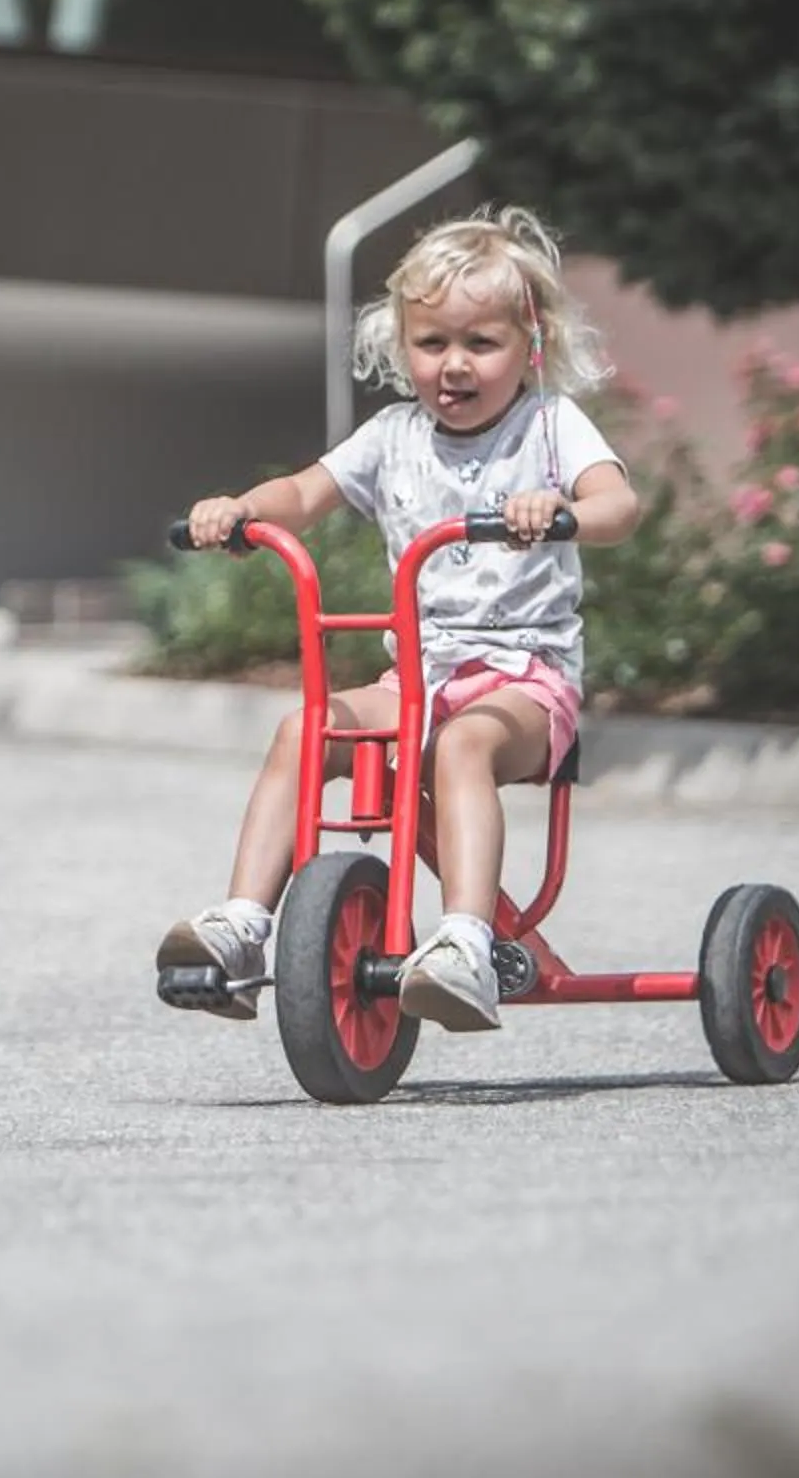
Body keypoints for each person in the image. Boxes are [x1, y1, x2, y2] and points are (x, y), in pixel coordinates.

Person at [160, 207, 641, 1031]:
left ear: (529, 346)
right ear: (401, 344)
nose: (454, 366)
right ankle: (245, 925)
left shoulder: (550, 425)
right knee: (305, 730)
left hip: (524, 684)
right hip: (419, 678)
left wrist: (559, 508)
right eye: (432, 344)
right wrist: (240, 511)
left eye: (480, 344)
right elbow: (306, 492)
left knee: (459, 748)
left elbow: (619, 504)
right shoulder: (393, 435)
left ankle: (465, 944)